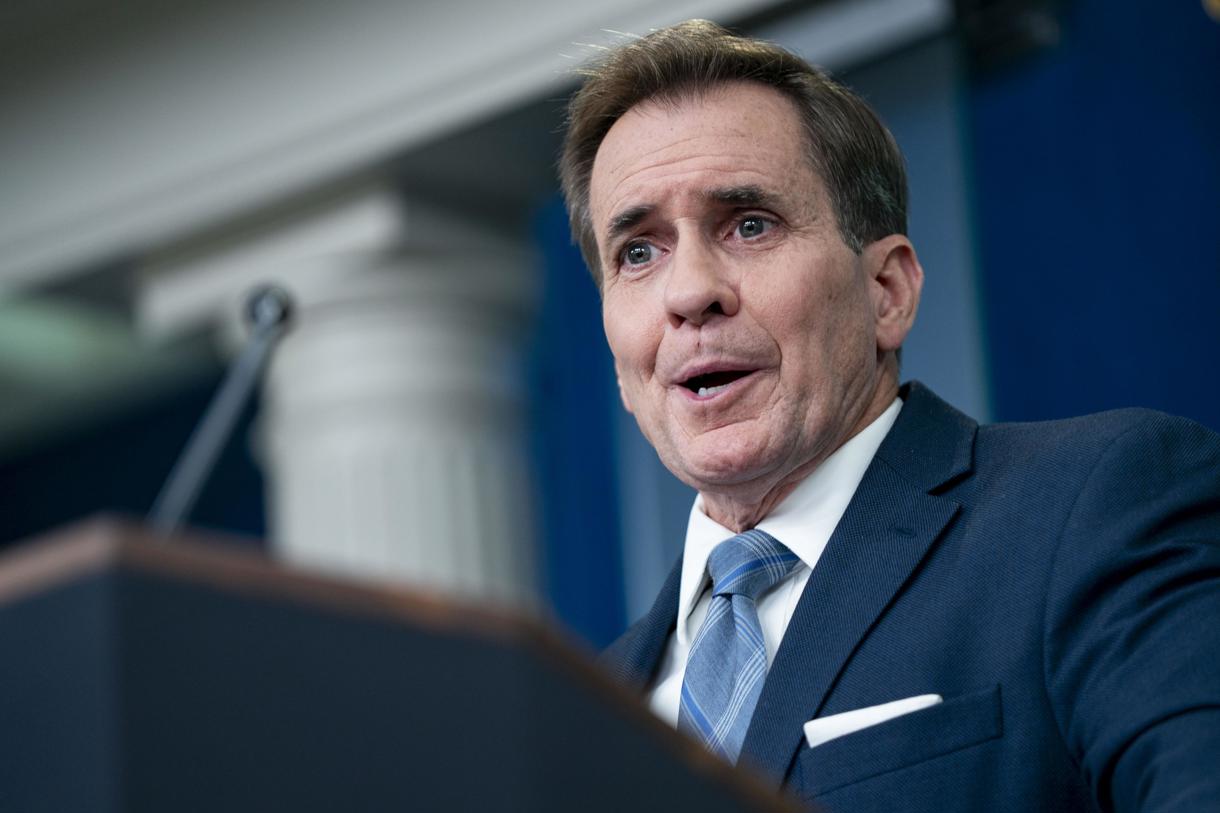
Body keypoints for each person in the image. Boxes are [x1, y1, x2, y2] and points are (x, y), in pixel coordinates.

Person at [558, 19, 1220, 813]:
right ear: (617, 357)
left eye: (749, 224)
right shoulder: (582, 712)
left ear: (888, 292)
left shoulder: (1096, 505)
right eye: (639, 251)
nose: (689, 291)